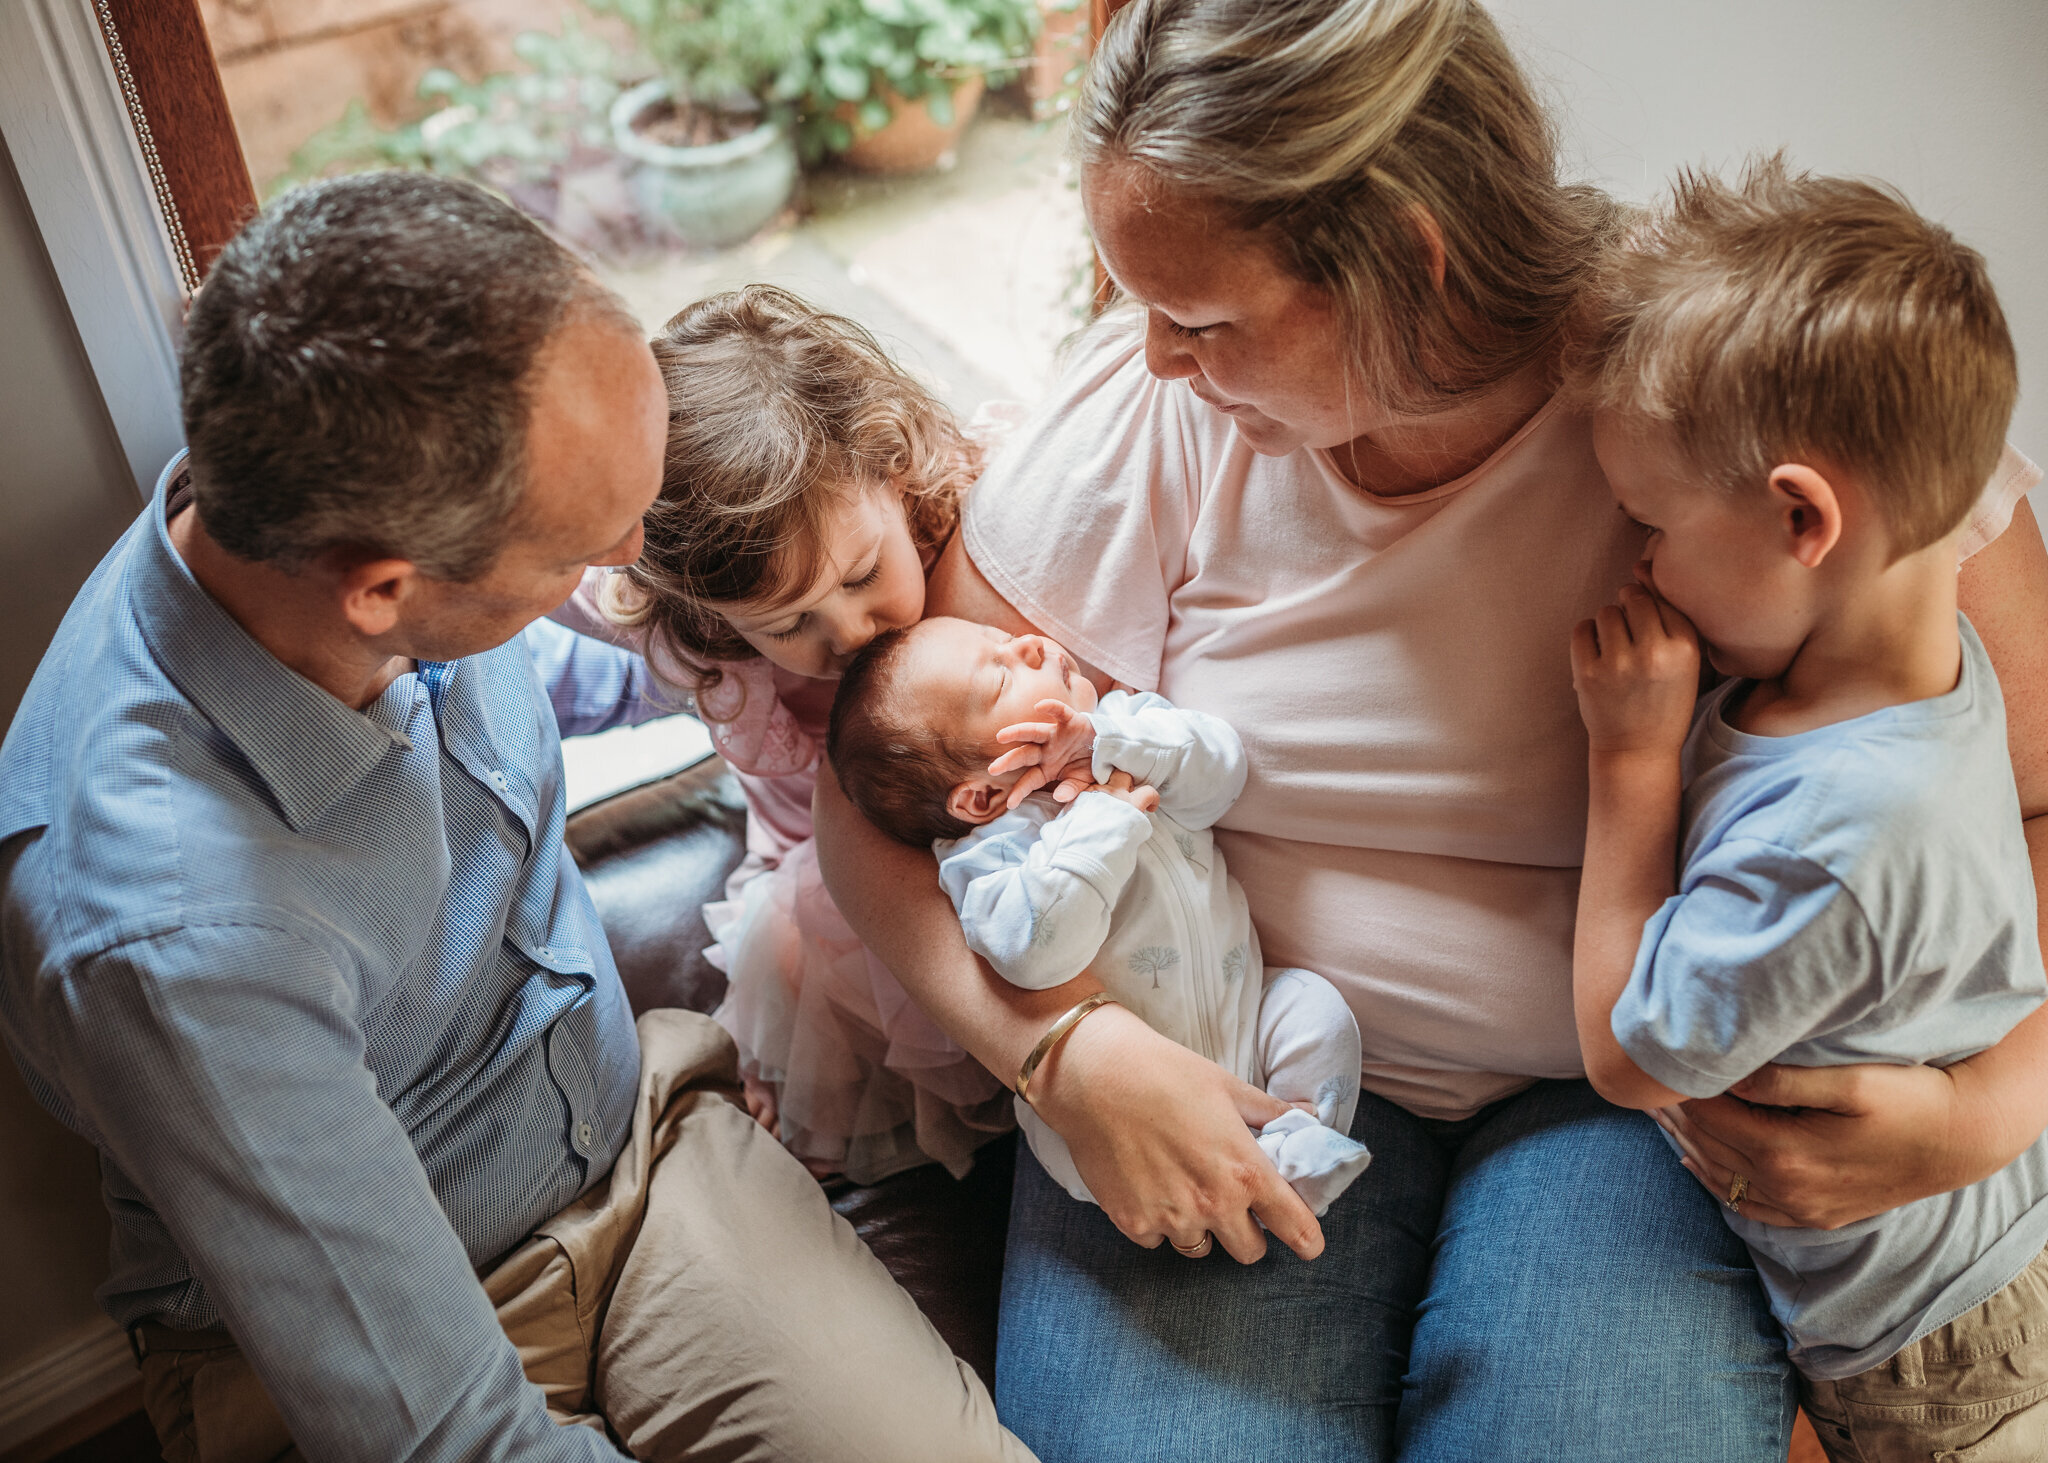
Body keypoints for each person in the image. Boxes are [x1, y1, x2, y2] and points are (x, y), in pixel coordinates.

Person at [809, 0, 2048, 1457]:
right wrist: (1062, 1051)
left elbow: (2021, 799)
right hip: (1224, 1043)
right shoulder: (1146, 428)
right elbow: (873, 799)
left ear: (1408, 259)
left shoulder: (1715, 388)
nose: (1149, 357)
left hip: (1623, 1110)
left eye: (1200, 319)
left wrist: (1990, 1107)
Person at [0, 173, 1031, 1463]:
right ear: (385, 588)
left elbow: (575, 672)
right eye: (580, 562)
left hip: (643, 1153)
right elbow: (444, 1431)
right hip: (402, 1343)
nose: (614, 580)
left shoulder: (345, 538)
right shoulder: (171, 939)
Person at [1569, 158, 2048, 1460]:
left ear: (1800, 514)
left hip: (1929, 1343)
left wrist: (1629, 763)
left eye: (1649, 520)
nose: (1638, 562)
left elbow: (1624, 1053)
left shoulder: (1836, 836)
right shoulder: (1935, 662)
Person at [550, 284, 1019, 1183]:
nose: (844, 636)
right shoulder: (680, 625)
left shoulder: (983, 517)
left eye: (860, 574)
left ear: (889, 460)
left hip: (984, 834)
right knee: (791, 1006)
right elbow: (533, 553)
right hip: (812, 874)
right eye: (786, 624)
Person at [827, 616, 1372, 1220]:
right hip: (1118, 1098)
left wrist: (1105, 744)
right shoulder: (989, 857)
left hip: (1249, 1014)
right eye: (999, 675)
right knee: (1055, 1139)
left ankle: (1290, 1144)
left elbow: (1223, 772)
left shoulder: (1131, 725)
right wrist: (1101, 820)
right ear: (979, 796)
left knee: (1316, 1009)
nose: (1029, 644)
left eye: (1004, 639)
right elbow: (1034, 954)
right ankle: (1227, 1182)